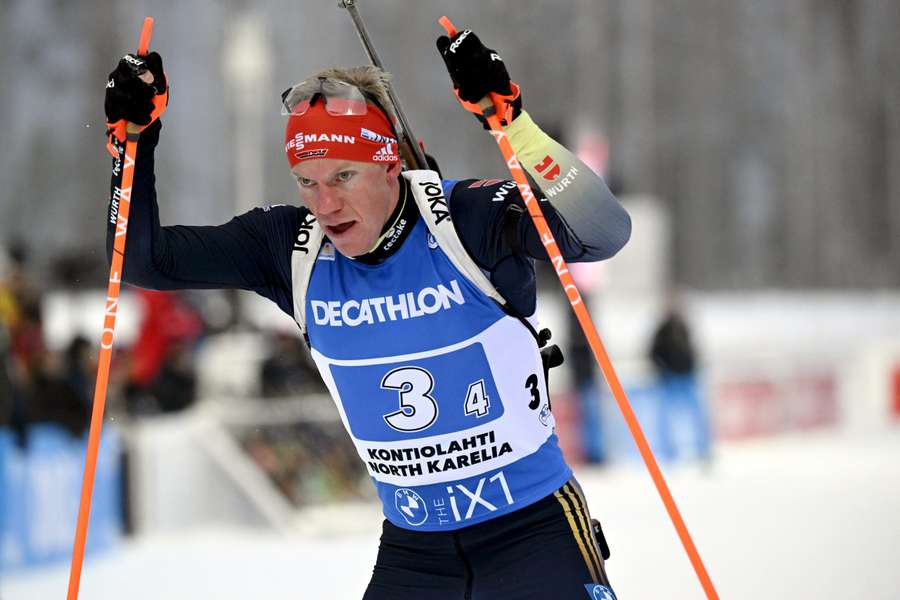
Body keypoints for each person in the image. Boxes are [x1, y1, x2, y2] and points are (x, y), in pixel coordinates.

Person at [104, 28, 630, 599]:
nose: (325, 203)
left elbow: (603, 233)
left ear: (388, 167)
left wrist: (512, 124)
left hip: (531, 532)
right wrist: (134, 145)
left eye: (343, 177)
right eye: (307, 182)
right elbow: (142, 261)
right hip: (416, 553)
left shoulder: (466, 220)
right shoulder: (291, 248)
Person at [648, 295, 712, 463]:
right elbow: (653, 353)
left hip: (686, 376)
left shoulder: (684, 327)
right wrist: (663, 369)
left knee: (696, 415)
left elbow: (692, 350)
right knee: (667, 417)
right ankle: (670, 452)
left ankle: (703, 449)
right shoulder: (662, 330)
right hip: (670, 378)